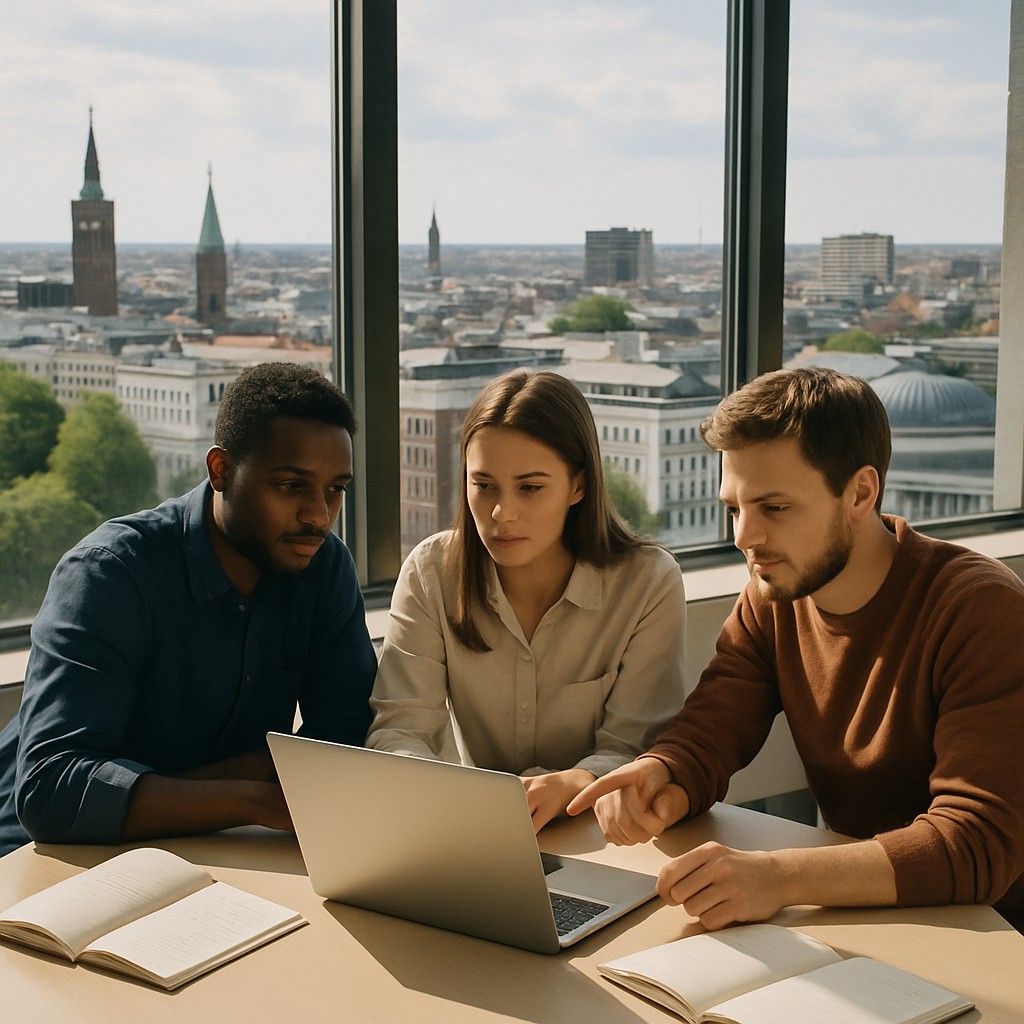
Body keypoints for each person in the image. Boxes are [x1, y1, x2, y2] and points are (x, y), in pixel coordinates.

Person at [569, 366, 1024, 931]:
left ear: (860, 492)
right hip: (863, 920)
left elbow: (977, 844)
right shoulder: (776, 592)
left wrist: (780, 878)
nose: (744, 537)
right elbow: (716, 722)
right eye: (735, 508)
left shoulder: (981, 610)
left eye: (774, 508)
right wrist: (663, 773)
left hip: (992, 939)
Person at [0, 362, 377, 855]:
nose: (318, 515)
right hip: (40, 863)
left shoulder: (322, 566)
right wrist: (254, 798)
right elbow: (51, 790)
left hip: (208, 848)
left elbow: (345, 742)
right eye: (291, 485)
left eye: (335, 490)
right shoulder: (109, 573)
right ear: (220, 470)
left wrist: (218, 787)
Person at [367, 369, 686, 831]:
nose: (501, 513)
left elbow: (637, 747)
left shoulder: (648, 583)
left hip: (604, 834)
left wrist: (570, 784)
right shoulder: (431, 572)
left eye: (530, 487)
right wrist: (435, 793)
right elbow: (399, 730)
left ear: (578, 486)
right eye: (484, 485)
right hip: (477, 830)